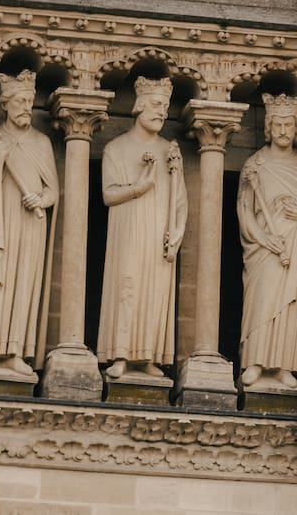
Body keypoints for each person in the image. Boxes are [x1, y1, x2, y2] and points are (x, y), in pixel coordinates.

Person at [0, 71, 57, 380]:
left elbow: (53, 190)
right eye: (20, 101)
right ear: (5, 104)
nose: (26, 107)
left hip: (29, 223)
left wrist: (40, 199)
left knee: (23, 282)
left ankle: (16, 352)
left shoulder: (41, 142)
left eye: (30, 101)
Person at [97, 76, 185, 381]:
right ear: (139, 106)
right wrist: (139, 187)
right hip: (128, 232)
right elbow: (108, 194)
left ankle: (147, 356)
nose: (162, 112)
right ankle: (121, 355)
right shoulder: (116, 148)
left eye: (166, 107)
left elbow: (180, 199)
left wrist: (177, 231)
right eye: (157, 104)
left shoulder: (169, 150)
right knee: (128, 287)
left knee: (156, 292)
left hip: (158, 235)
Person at [236, 93, 297, 391]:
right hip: (266, 247)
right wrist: (263, 238)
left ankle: (286, 365)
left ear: (296, 127)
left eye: (289, 125)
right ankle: (255, 362)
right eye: (278, 124)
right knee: (263, 299)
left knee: (290, 305)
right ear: (269, 127)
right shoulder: (255, 164)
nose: (283, 131)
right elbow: (245, 210)